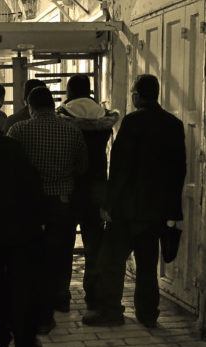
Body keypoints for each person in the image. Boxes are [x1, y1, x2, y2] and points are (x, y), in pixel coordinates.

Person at [82, 74, 186, 328]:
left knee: (111, 261)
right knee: (148, 265)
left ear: (137, 95)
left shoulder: (132, 122)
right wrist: (172, 209)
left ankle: (111, 312)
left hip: (128, 210)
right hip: (156, 211)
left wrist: (108, 204)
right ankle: (148, 313)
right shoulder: (174, 124)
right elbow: (178, 169)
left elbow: (120, 168)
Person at [7, 86, 88, 334]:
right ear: (53, 106)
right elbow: (83, 165)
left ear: (30, 107)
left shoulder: (18, 130)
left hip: (30, 202)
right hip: (62, 200)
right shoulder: (72, 130)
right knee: (61, 251)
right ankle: (60, 297)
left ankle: (34, 299)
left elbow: (11, 165)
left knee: (32, 251)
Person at [0, 107, 46, 347]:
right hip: (20, 228)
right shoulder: (10, 147)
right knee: (22, 286)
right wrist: (39, 220)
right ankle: (24, 343)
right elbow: (32, 184)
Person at [56, 74, 120, 313]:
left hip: (69, 185)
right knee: (95, 243)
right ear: (90, 90)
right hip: (97, 185)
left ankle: (61, 296)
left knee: (64, 242)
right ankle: (93, 294)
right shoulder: (104, 117)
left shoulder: (62, 115)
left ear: (70, 90)